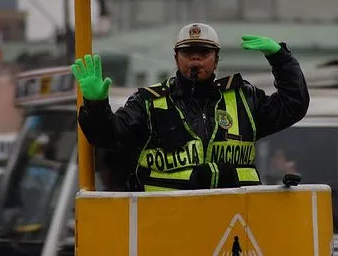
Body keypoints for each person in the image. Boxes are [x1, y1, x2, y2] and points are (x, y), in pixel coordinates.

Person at [71, 22, 310, 192]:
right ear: (176, 58)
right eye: (188, 52)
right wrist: (95, 105)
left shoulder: (243, 98)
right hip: (167, 227)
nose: (195, 58)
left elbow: (293, 106)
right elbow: (109, 136)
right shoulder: (149, 102)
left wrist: (281, 59)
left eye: (204, 52)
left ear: (216, 58)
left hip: (234, 225)